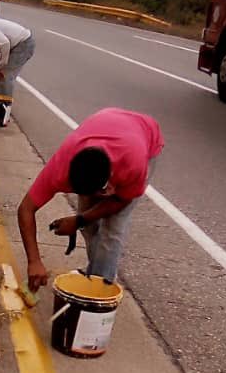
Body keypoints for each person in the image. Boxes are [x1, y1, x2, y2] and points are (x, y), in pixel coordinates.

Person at [17, 107, 164, 292]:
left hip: (144, 134)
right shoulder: (59, 170)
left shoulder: (133, 164)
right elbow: (25, 209)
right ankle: (96, 271)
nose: (106, 193)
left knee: (112, 229)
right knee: (88, 225)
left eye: (103, 190)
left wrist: (78, 220)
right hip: (107, 126)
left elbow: (121, 200)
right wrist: (34, 261)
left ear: (111, 176)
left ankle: (100, 289)